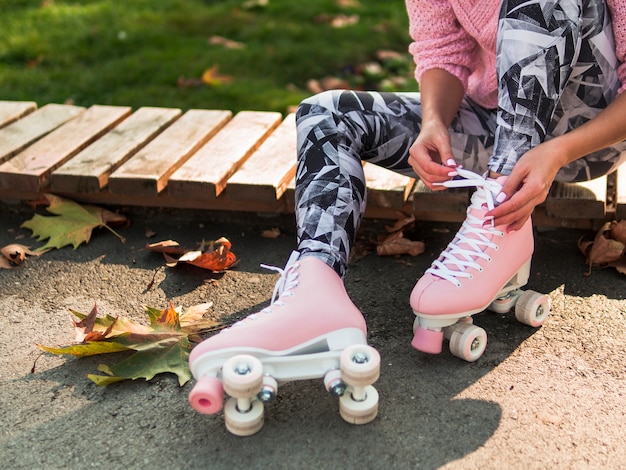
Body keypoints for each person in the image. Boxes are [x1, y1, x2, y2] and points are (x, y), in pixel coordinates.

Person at [189, 0, 626, 393]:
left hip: (585, 137)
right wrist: (433, 121)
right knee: (326, 114)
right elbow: (442, 50)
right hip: (492, 125)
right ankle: (315, 289)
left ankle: (501, 221)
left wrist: (558, 150)